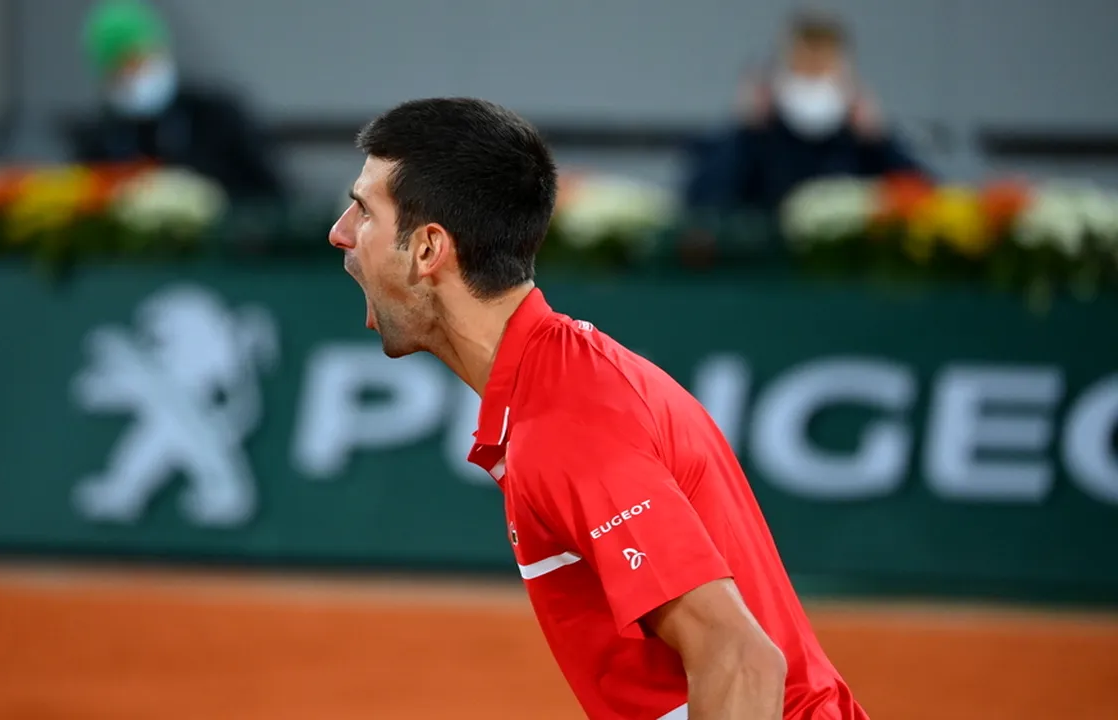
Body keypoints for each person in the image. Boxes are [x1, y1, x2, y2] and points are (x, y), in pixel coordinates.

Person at [328, 97, 869, 720]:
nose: (340, 231)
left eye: (364, 210)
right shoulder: (557, 386)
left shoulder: (567, 421)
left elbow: (741, 657)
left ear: (428, 250)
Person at [685, 10, 925, 211]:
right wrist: (745, 131)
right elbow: (700, 202)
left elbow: (924, 200)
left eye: (821, 68)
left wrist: (878, 139)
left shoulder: (865, 143)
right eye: (802, 66)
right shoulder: (752, 137)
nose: (812, 78)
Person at [68, 0, 287, 201]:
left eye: (138, 61)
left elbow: (273, 193)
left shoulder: (215, 117)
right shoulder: (99, 140)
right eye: (119, 71)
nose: (132, 76)